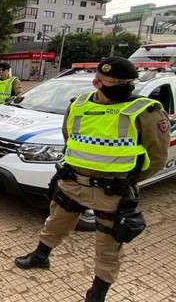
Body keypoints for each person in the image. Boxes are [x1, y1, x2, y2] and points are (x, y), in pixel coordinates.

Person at [14, 57, 170, 302]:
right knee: (55, 223)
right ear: (98, 82)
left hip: (113, 190)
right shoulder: (78, 104)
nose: (124, 86)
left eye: (127, 82)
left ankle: (97, 292)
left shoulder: (145, 111)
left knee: (109, 244)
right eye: (115, 82)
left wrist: (125, 179)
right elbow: (70, 139)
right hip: (74, 181)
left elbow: (157, 157)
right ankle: (41, 256)